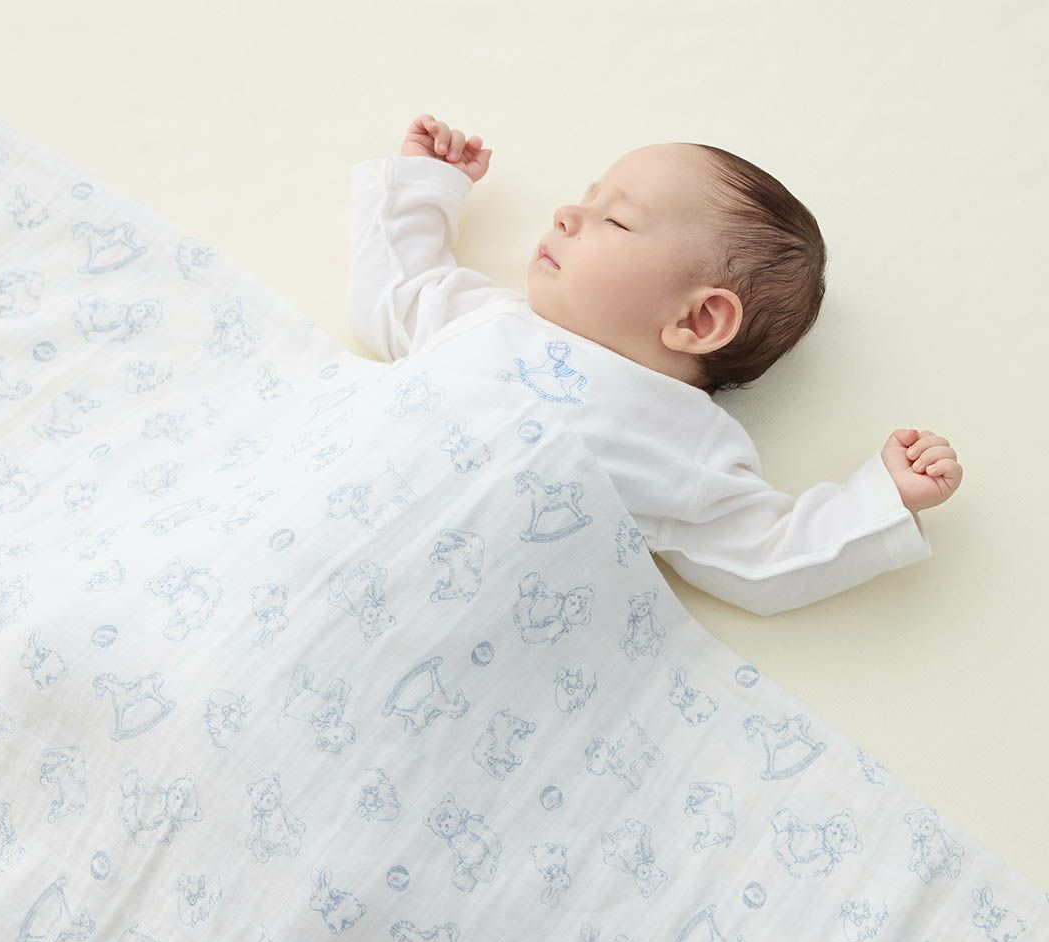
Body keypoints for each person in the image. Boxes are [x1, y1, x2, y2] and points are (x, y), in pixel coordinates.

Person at [347, 114, 963, 617]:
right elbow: (395, 293)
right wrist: (426, 184)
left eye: (615, 220)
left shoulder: (680, 438)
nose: (565, 214)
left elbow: (765, 556)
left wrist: (881, 498)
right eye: (587, 197)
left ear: (697, 320)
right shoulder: (486, 315)